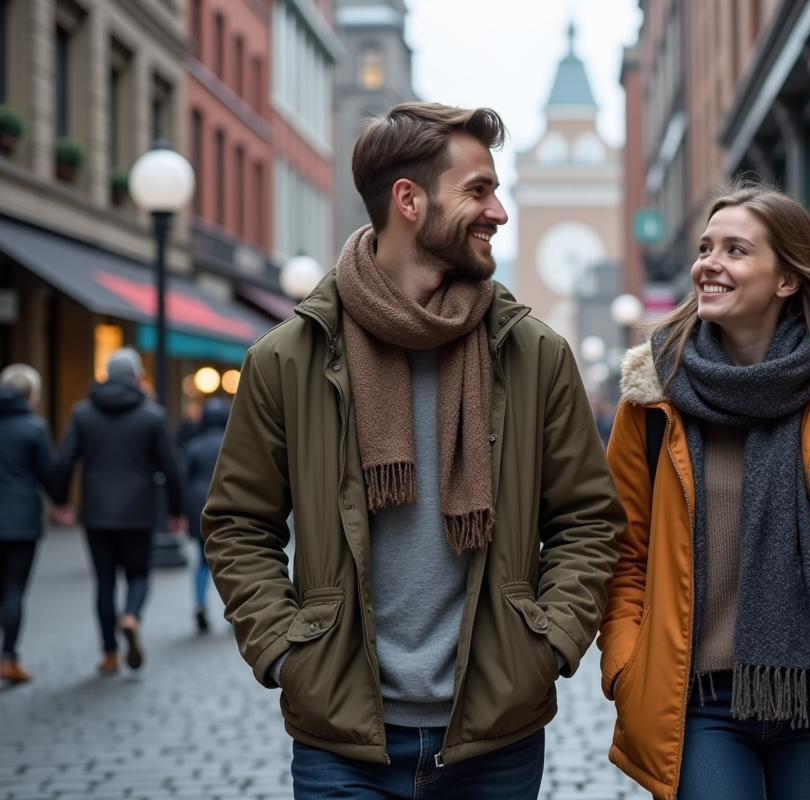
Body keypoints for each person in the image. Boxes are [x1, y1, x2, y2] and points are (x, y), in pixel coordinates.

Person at [202, 102, 624, 800]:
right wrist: (285, 652)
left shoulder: (534, 354)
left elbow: (588, 520)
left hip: (495, 734)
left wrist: (544, 644)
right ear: (409, 200)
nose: (499, 212)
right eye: (479, 191)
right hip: (343, 744)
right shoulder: (289, 358)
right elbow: (237, 524)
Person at [599, 184, 810, 800]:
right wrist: (627, 664)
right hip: (695, 703)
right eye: (706, 248)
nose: (708, 263)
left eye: (735, 250)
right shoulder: (652, 402)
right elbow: (622, 556)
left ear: (786, 280)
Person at [54, 348, 185, 673]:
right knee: (139, 574)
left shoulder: (82, 413)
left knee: (103, 582)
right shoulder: (151, 415)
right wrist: (177, 510)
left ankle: (109, 654)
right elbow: (171, 467)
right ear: (138, 377)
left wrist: (60, 501)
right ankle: (131, 616)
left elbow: (65, 459)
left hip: (96, 511)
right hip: (138, 510)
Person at [0, 364, 57, 683]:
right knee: (14, 589)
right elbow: (48, 474)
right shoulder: (34, 428)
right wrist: (61, 503)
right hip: (21, 521)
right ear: (31, 395)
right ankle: (8, 658)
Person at [182, 397, 230, 633]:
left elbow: (184, 479)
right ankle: (235, 608)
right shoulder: (234, 444)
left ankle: (200, 604)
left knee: (202, 560)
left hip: (198, 508)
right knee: (231, 559)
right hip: (228, 507)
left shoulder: (193, 445)